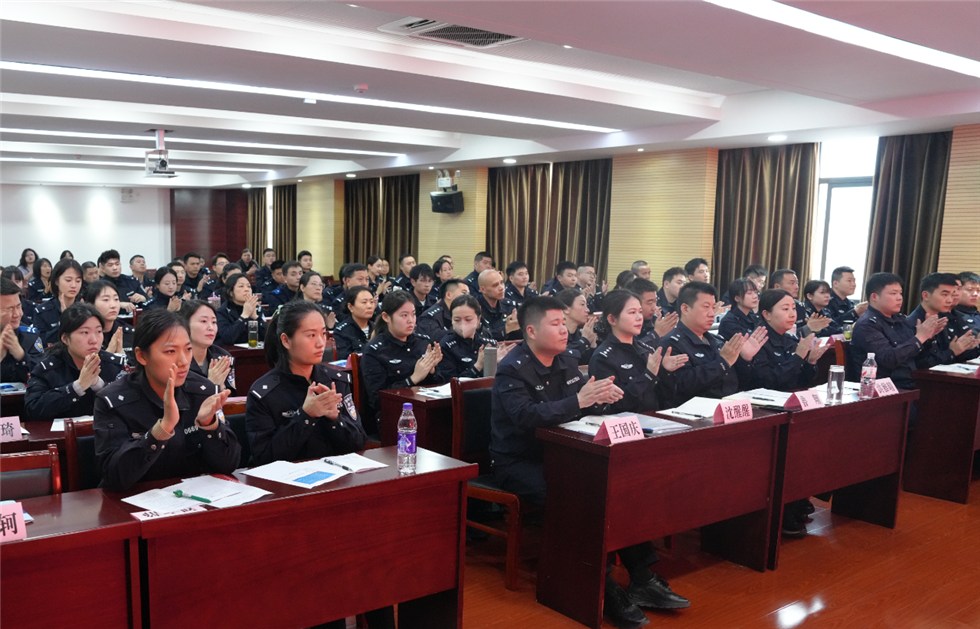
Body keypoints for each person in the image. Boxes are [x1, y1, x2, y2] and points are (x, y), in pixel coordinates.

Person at [491, 296, 688, 626]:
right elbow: (526, 417)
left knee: (617, 487)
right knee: (581, 498)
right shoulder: (512, 369)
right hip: (520, 461)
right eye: (555, 324)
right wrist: (580, 401)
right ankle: (601, 585)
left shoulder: (566, 361)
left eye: (563, 322)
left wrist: (601, 399)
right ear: (531, 331)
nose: (563, 330)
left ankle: (642, 577)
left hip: (567, 452)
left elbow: (584, 402)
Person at [247, 299, 387, 629]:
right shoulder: (264, 392)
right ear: (286, 340)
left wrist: (334, 417)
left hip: (339, 490)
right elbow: (263, 459)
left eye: (323, 333)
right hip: (291, 502)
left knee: (378, 563)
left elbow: (358, 441)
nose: (320, 342)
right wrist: (306, 416)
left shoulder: (337, 378)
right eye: (310, 335)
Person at [94, 309, 239, 491]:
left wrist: (210, 425)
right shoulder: (112, 400)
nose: (183, 361)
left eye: (188, 349)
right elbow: (114, 477)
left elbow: (229, 465)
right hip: (135, 500)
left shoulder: (203, 391)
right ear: (141, 356)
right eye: (170, 351)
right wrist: (162, 430)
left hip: (195, 497)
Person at [745, 291, 832, 536]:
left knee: (816, 441)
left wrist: (810, 362)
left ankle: (799, 499)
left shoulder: (790, 338)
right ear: (766, 314)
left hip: (790, 407)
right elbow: (769, 382)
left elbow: (803, 380)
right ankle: (785, 508)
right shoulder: (758, 340)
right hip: (764, 412)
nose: (792, 313)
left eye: (793, 308)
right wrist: (798, 356)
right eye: (784, 309)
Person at [658, 282, 767, 407]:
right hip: (695, 411)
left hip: (727, 407)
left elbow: (739, 383)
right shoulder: (671, 343)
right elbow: (683, 386)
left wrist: (746, 359)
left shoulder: (716, 340)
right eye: (706, 307)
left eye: (713, 307)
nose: (711, 313)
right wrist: (722, 362)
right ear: (685, 309)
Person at [589, 289, 688, 413]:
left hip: (654, 417)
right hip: (625, 420)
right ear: (612, 319)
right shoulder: (603, 358)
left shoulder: (646, 349)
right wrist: (648, 375)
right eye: (632, 312)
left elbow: (664, 397)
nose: (639, 317)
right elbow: (617, 405)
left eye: (640, 312)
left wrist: (665, 371)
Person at [359, 291, 443, 436]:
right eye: (404, 315)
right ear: (386, 317)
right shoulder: (374, 351)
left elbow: (440, 385)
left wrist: (432, 371)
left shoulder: (423, 342)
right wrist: (413, 379)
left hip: (427, 409)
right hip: (394, 417)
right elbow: (377, 399)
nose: (411, 320)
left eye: (413, 314)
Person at [25, 304, 125, 421]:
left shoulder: (113, 364)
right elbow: (33, 409)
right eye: (85, 332)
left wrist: (99, 385)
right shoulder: (47, 368)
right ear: (65, 338)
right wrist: (78, 387)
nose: (94, 340)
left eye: (98, 331)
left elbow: (129, 405)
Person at [846, 273, 945, 389]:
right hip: (884, 387)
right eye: (893, 293)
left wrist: (928, 338)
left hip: (910, 381)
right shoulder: (867, 324)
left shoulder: (900, 319)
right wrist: (920, 337)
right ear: (874, 297)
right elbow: (889, 359)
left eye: (900, 293)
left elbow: (917, 358)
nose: (899, 298)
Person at [905, 272, 979, 368]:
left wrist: (968, 347)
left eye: (952, 295)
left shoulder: (943, 318)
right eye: (945, 294)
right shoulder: (913, 322)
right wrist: (952, 352)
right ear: (926, 296)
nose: (950, 300)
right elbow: (917, 364)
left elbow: (956, 356)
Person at [436, 294, 507, 381]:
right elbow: (449, 383)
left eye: (468, 319)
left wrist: (499, 363)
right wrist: (478, 366)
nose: (462, 324)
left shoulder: (487, 343)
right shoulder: (446, 346)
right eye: (457, 320)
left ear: (478, 319)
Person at [179, 300, 236, 392]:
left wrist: (222, 389)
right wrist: (211, 385)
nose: (211, 327)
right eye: (203, 321)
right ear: (184, 324)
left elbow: (232, 396)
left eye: (214, 322)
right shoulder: (176, 361)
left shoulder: (223, 357)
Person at [0, 277, 43, 383]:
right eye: (9, 309)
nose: (17, 314)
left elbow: (45, 374)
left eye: (18, 307)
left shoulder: (29, 336)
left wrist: (22, 356)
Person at [33, 258, 84, 347]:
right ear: (56, 281)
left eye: (78, 281)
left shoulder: (85, 310)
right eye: (68, 280)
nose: (74, 285)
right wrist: (65, 320)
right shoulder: (42, 311)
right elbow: (41, 343)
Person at [771, 269, 830, 337]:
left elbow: (803, 333)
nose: (797, 287)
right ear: (777, 287)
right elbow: (781, 336)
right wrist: (808, 328)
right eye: (792, 283)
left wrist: (815, 328)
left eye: (797, 283)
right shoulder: (769, 305)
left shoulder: (799, 306)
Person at [84, 280, 134, 354]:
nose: (113, 305)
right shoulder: (83, 334)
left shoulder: (129, 332)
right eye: (106, 300)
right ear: (91, 304)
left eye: (116, 299)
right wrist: (109, 354)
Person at [626, 278, 678, 346]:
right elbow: (633, 349)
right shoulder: (626, 324)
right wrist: (656, 334)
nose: (654, 307)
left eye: (655, 301)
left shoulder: (655, 320)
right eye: (650, 303)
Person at [216, 274, 265, 346]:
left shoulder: (256, 308)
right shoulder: (222, 311)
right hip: (232, 351)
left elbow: (268, 337)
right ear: (231, 292)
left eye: (249, 286)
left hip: (255, 350)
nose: (246, 289)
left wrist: (256, 317)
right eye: (241, 286)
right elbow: (228, 338)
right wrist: (244, 316)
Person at [416, 278, 469, 343]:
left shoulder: (462, 314)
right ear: (449, 295)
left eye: (468, 294)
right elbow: (438, 341)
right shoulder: (429, 317)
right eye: (464, 293)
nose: (468, 297)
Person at [555, 288, 598, 365]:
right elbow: (560, 357)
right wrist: (584, 341)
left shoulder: (579, 334)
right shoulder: (555, 334)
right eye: (582, 304)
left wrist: (592, 344)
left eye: (586, 305)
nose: (587, 310)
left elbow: (584, 363)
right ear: (566, 309)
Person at [332, 286, 376, 360]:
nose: (369, 306)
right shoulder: (342, 331)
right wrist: (370, 344)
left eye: (372, 302)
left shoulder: (377, 327)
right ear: (350, 307)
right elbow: (345, 360)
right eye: (364, 302)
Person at [476, 269, 520, 342]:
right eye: (495, 285)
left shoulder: (509, 305)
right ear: (483, 289)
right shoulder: (474, 308)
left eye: (502, 282)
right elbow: (479, 337)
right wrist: (505, 330)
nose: (501, 288)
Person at [953, 271, 980, 337]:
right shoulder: (950, 314)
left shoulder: (977, 314)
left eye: (978, 290)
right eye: (970, 290)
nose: (975, 294)